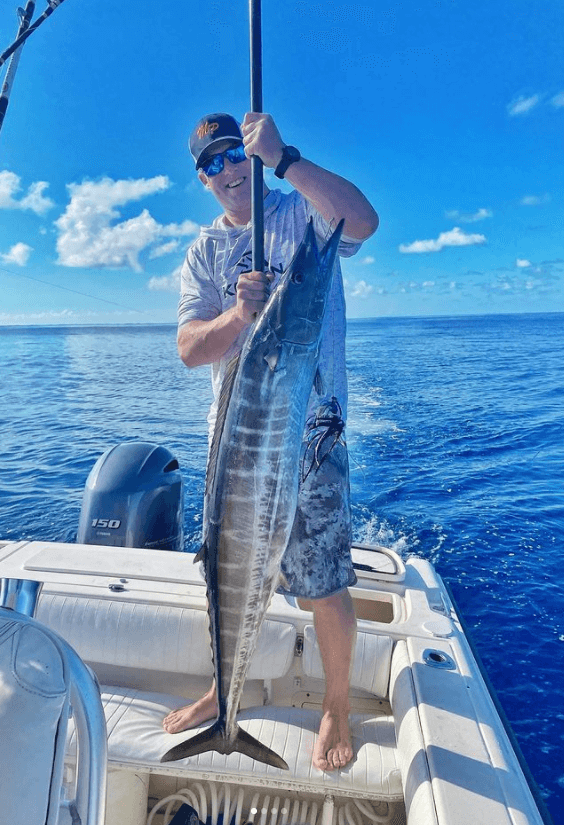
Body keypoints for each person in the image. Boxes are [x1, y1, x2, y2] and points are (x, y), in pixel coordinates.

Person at [163, 111, 379, 772]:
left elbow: (362, 221)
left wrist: (286, 159)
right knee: (228, 576)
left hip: (311, 441)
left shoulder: (303, 214)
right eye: (211, 164)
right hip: (234, 450)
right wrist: (237, 314)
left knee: (322, 581)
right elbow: (189, 350)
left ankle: (336, 705)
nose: (226, 171)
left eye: (234, 156)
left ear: (250, 157)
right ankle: (222, 693)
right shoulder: (204, 253)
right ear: (201, 178)